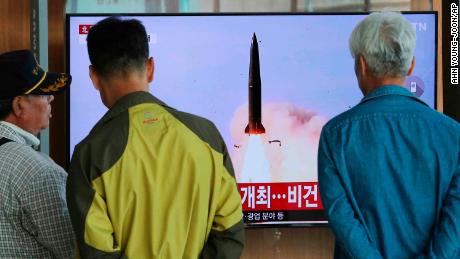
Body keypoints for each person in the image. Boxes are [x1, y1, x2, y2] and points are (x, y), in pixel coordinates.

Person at [66, 17, 245, 259]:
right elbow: (230, 232)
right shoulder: (207, 136)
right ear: (150, 68)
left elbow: (97, 253)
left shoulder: (90, 153)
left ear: (94, 76)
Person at [318, 11, 460, 258]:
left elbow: (344, 222)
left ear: (361, 64)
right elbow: (455, 222)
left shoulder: (335, 135)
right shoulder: (453, 134)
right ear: (411, 64)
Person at [0, 50, 74, 258]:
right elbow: (72, 250)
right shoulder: (38, 171)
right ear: (19, 105)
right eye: (42, 93)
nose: (51, 98)